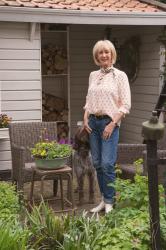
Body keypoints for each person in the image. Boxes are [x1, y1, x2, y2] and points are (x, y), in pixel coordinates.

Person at [83, 40, 131, 214]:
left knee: (107, 163)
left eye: (107, 52)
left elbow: (125, 105)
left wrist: (113, 124)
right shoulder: (93, 75)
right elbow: (89, 99)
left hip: (109, 123)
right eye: (100, 53)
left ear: (112, 55)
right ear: (96, 56)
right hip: (93, 124)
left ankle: (110, 201)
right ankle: (104, 199)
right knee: (96, 163)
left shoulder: (120, 76)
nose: (103, 55)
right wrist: (85, 117)